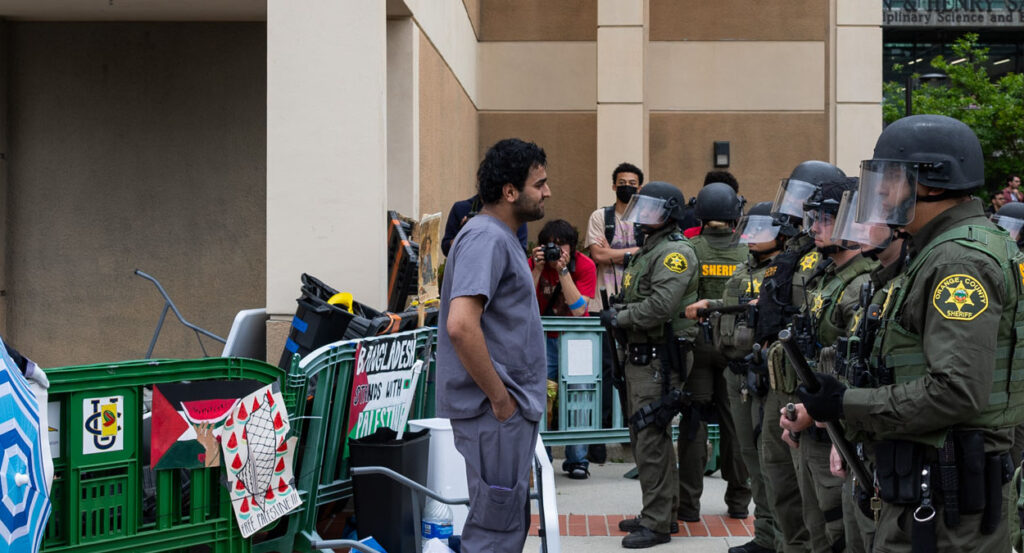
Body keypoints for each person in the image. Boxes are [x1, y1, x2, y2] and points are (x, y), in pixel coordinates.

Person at [788, 114, 1024, 552]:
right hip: (928, 489)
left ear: (931, 184)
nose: (880, 192)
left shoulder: (958, 260)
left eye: (891, 179)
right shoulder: (938, 250)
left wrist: (846, 403)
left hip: (947, 503)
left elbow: (957, 391)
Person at [437, 138, 550, 551]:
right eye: (539, 184)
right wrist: (502, 401)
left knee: (501, 527)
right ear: (509, 191)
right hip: (494, 413)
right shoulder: (486, 237)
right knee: (494, 535)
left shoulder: (498, 237)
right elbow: (461, 326)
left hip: (501, 414)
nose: (547, 192)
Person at [779, 177, 877, 553]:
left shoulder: (862, 282)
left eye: (826, 217)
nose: (815, 227)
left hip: (836, 427)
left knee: (837, 529)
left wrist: (810, 413)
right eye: (814, 217)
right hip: (812, 422)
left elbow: (852, 362)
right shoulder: (828, 276)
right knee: (815, 525)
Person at [755, 160, 846, 553]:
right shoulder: (798, 252)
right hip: (785, 378)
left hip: (811, 386)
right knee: (779, 477)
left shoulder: (831, 263)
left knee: (819, 503)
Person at [602, 181, 699, 547]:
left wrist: (620, 318)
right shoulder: (649, 250)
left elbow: (660, 307)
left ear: (670, 213)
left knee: (650, 439)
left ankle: (658, 523)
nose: (641, 216)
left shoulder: (674, 253)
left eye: (651, 209)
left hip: (658, 358)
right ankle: (660, 512)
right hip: (642, 357)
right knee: (646, 438)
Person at [685, 200, 782, 553]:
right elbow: (732, 304)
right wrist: (710, 306)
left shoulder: (785, 272)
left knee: (770, 458)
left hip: (768, 375)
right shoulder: (744, 267)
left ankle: (775, 535)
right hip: (735, 370)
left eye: (763, 230)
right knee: (749, 453)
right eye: (750, 228)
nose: (752, 236)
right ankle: (766, 535)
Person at [676, 182, 752, 523]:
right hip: (735, 347)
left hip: (698, 345)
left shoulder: (690, 248)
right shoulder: (748, 249)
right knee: (736, 424)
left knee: (693, 424)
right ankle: (738, 502)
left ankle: (688, 506)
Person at [528, 219, 597, 479]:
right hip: (543, 339)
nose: (556, 250)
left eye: (561, 245)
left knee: (579, 395)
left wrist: (563, 271)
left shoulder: (585, 265)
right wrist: (536, 270)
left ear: (573, 246)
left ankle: (578, 461)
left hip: (576, 339)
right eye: (550, 246)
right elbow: (524, 303)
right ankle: (542, 458)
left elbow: (579, 309)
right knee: (543, 394)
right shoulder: (534, 265)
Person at [586, 161, 645, 462]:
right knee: (606, 370)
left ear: (640, 187)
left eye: (632, 182)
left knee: (635, 369)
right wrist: (633, 252)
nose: (627, 186)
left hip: (637, 306)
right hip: (603, 303)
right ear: (613, 186)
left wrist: (614, 254)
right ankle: (604, 432)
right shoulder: (601, 217)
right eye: (622, 181)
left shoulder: (646, 218)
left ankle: (631, 432)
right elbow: (597, 255)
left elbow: (648, 254)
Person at [441, 193, 529, 256]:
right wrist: (462, 235)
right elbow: (446, 249)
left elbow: (521, 254)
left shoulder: (515, 214)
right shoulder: (461, 208)